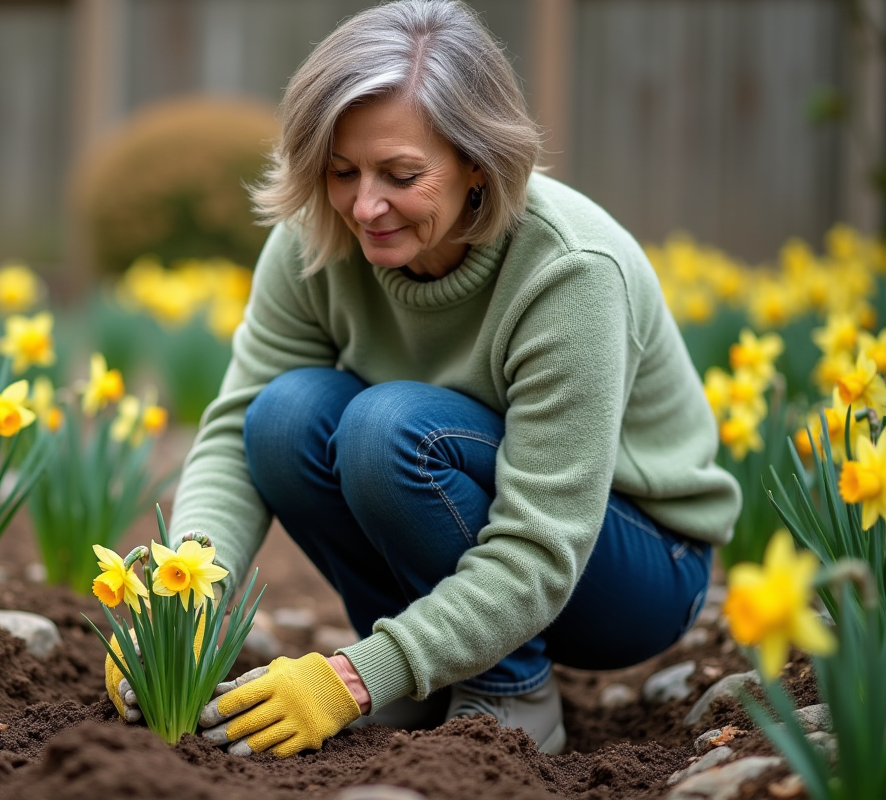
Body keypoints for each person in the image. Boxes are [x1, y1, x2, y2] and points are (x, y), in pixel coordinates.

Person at [107, 0, 740, 758]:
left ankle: (508, 693)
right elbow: (232, 436)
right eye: (342, 171)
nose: (365, 206)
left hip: (627, 563)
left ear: (479, 161)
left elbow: (544, 546)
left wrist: (349, 678)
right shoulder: (317, 238)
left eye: (401, 175)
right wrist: (183, 603)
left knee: (386, 429)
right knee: (281, 417)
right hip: (482, 504)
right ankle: (424, 681)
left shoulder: (569, 271)